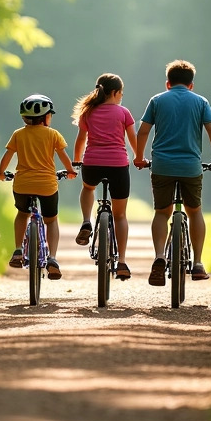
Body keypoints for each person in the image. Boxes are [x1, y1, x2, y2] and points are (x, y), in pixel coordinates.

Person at [133, 60, 211, 285]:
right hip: (190, 167)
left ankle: (159, 257)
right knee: (194, 211)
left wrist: (139, 157)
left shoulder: (157, 100)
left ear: (168, 83)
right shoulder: (201, 102)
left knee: (162, 213)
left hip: (162, 165)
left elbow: (143, 130)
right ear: (191, 85)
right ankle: (198, 264)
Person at [0, 93, 77, 279]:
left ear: (24, 117)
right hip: (47, 185)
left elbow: (7, 156)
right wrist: (70, 170)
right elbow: (63, 156)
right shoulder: (53, 134)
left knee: (22, 214)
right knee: (51, 220)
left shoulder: (18, 134)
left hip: (22, 184)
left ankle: (17, 250)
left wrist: (1, 172)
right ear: (47, 117)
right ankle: (53, 258)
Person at [71, 73, 137, 280]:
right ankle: (123, 262)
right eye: (121, 93)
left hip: (92, 163)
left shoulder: (88, 112)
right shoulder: (123, 112)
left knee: (88, 188)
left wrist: (76, 160)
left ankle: (86, 221)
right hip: (118, 165)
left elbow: (81, 139)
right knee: (120, 216)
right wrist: (139, 157)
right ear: (115, 92)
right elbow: (133, 138)